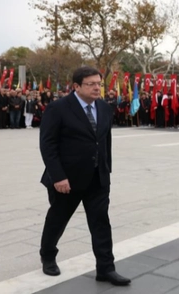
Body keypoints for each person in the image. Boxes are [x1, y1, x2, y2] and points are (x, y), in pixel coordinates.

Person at [38, 66, 130, 286]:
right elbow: (47, 145)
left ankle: (106, 268)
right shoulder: (58, 108)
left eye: (99, 83)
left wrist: (106, 171)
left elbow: (104, 142)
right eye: (91, 84)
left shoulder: (105, 108)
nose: (97, 87)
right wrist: (58, 177)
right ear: (76, 86)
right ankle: (48, 256)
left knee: (101, 223)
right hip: (66, 180)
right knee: (57, 220)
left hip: (97, 178)